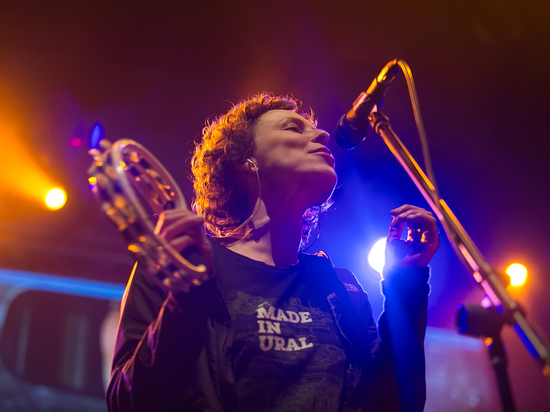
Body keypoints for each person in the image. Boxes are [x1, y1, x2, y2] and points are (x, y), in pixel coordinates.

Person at [106, 92, 439, 412]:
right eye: (293, 128)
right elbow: (128, 403)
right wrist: (184, 300)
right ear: (243, 161)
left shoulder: (340, 286)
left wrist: (407, 284)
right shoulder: (183, 265)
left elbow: (396, 406)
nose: (323, 134)